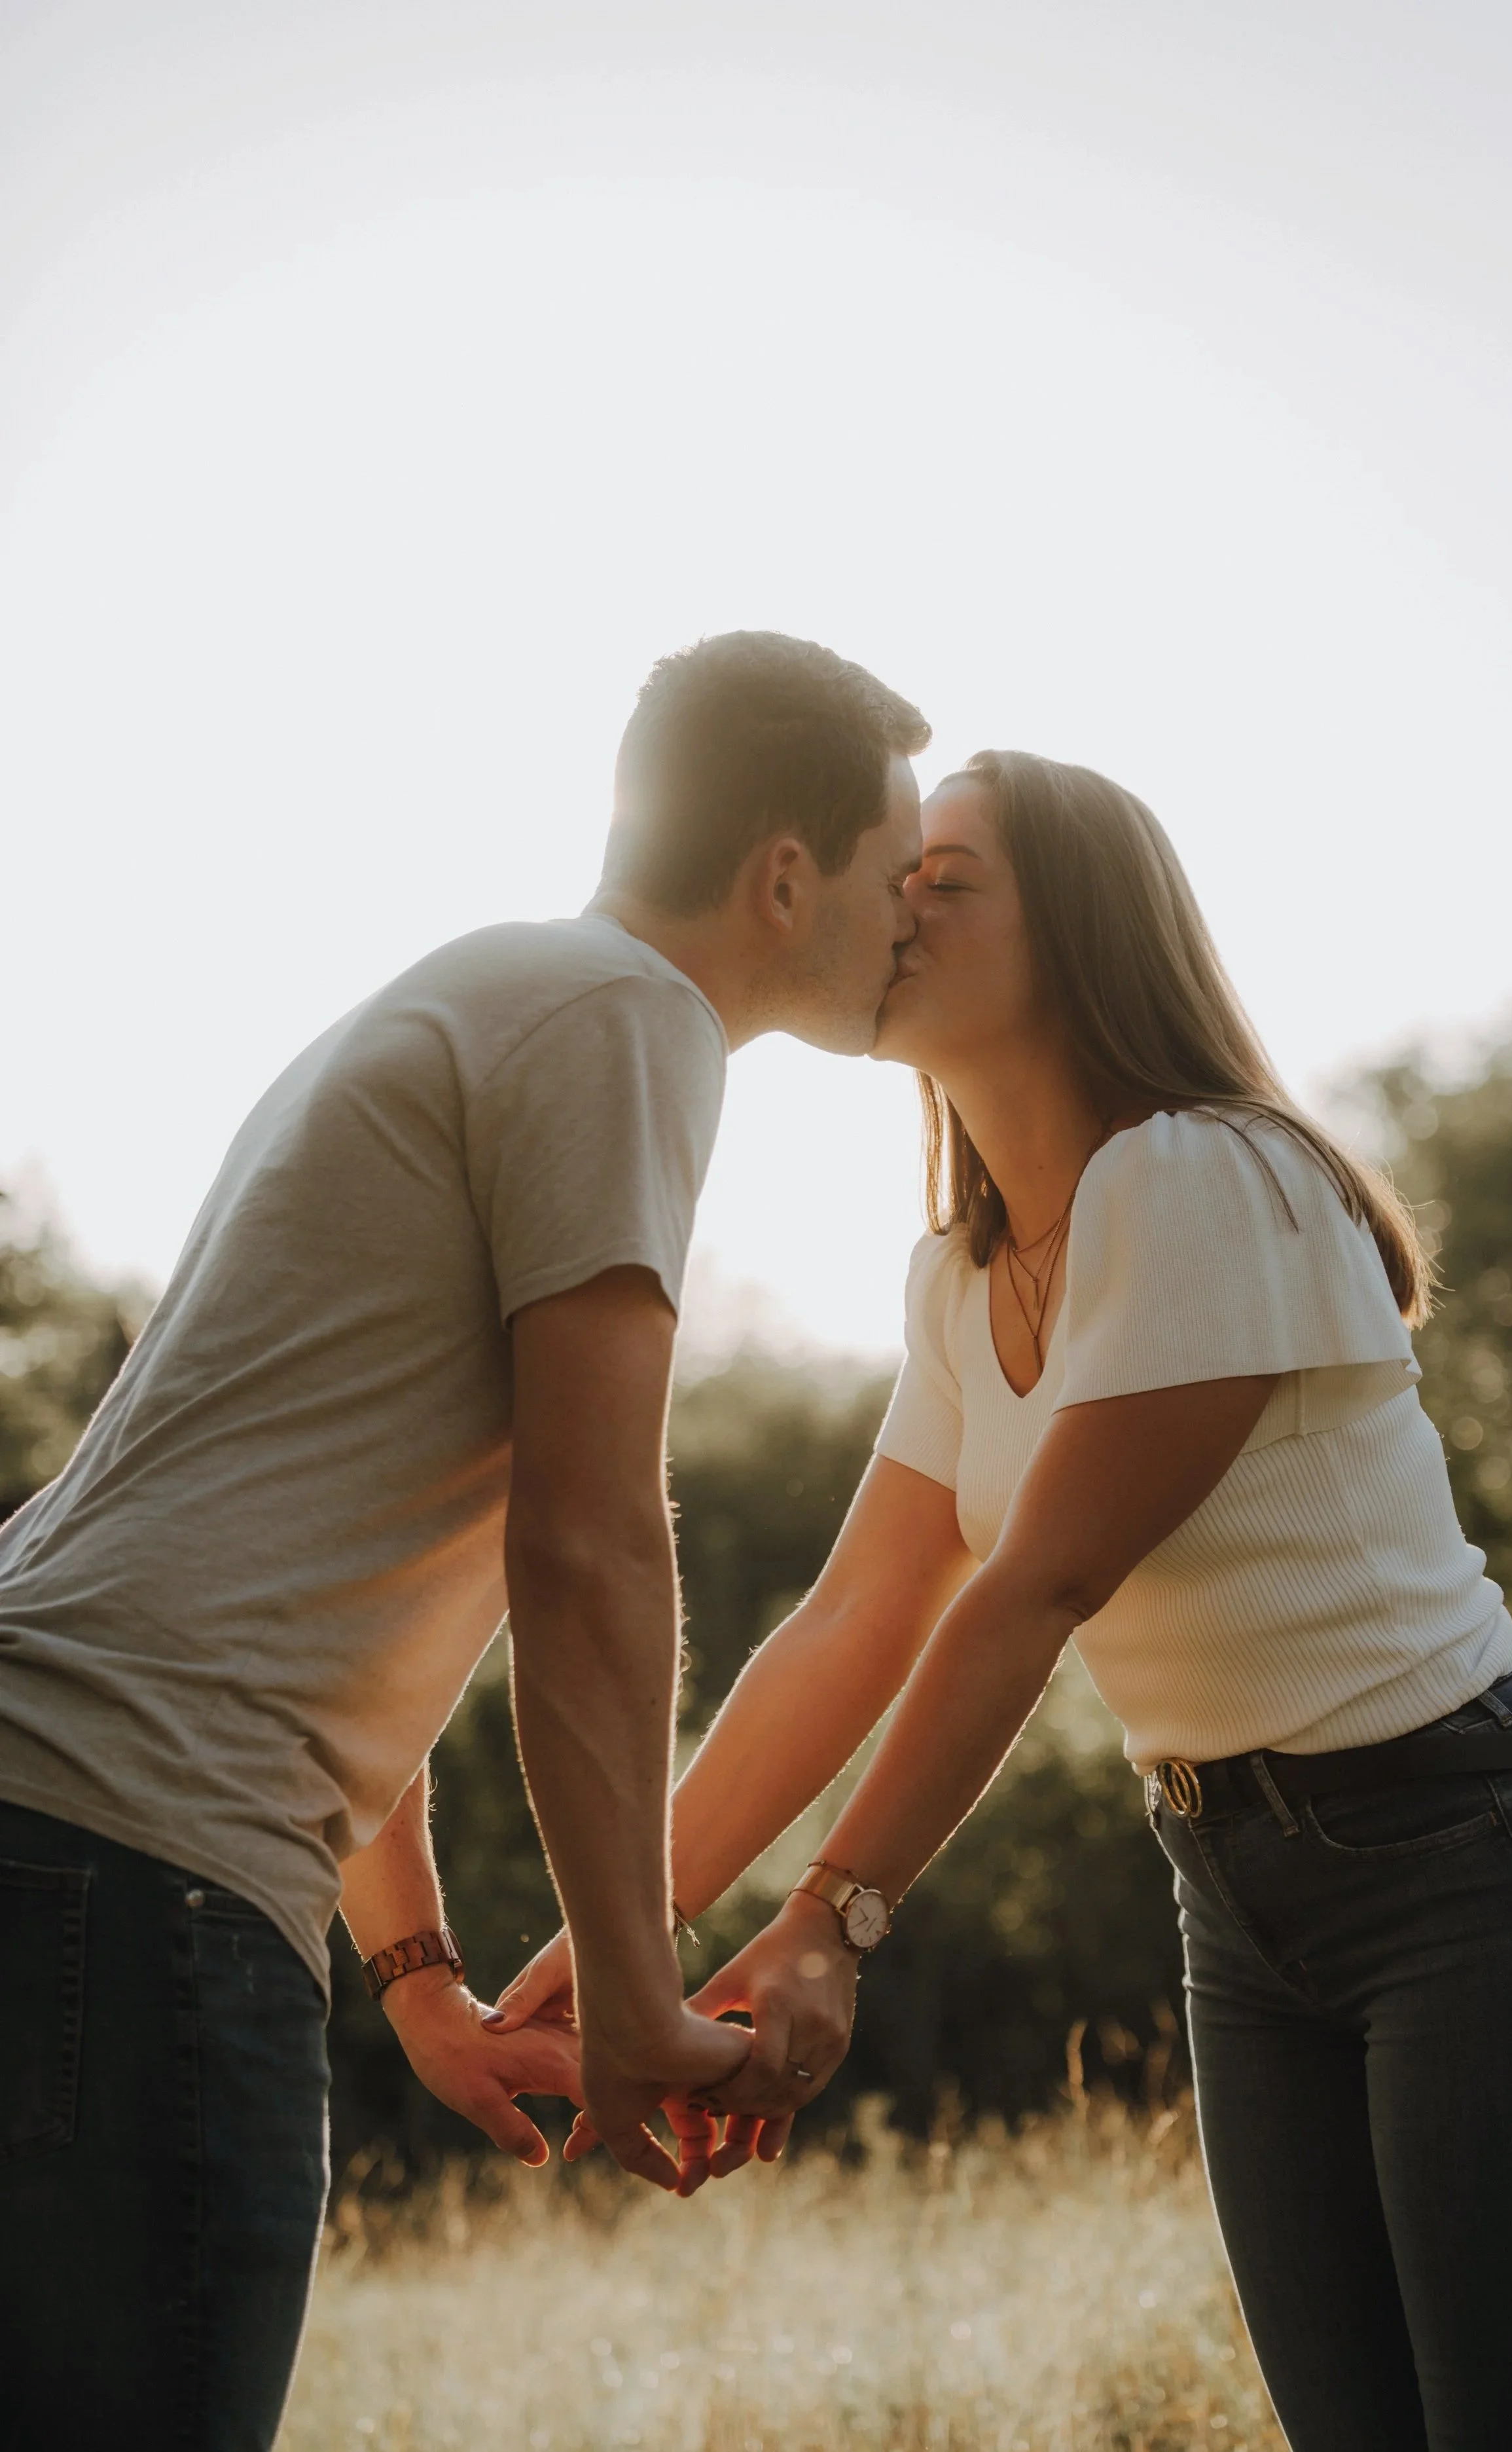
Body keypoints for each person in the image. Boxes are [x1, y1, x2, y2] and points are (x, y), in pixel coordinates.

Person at [496, 748, 1512, 2452]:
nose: (902, 911)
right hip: (1234, 1883)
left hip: (1476, 1851)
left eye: (949, 883)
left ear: (1083, 935)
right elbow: (853, 1622)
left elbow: (1033, 1590)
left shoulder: (1204, 1177)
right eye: (902, 879)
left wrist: (828, 1921)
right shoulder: (961, 1276)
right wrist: (620, 1926)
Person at [0, 630, 928, 2450]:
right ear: (785, 875)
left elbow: (322, 1545)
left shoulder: (490, 990)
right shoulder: (632, 1021)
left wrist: (420, 1979)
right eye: (899, 878)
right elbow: (587, 1549)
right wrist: (639, 2000)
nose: (908, 920)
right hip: (131, 1885)